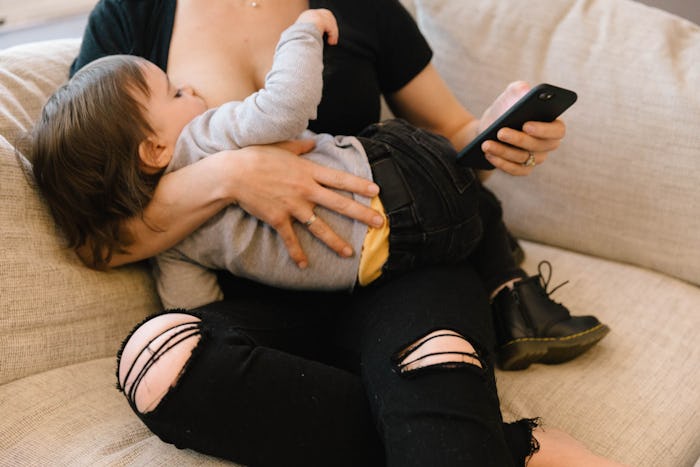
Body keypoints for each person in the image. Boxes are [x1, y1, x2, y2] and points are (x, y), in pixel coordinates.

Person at [59, 0, 621, 465]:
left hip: (399, 262)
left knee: (433, 359)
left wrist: (500, 138)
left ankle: (448, 423)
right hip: (264, 304)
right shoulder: (133, 15)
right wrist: (229, 175)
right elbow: (94, 234)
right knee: (158, 363)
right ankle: (501, 445)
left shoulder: (364, 6)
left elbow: (453, 132)